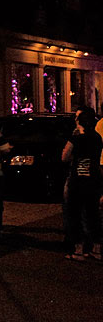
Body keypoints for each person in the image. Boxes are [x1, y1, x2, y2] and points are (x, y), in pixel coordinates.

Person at [62, 107, 102, 260]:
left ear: (80, 122)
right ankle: (96, 249)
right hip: (93, 178)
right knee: (93, 214)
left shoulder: (76, 138)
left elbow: (64, 156)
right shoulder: (97, 138)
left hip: (78, 179)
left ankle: (78, 249)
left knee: (75, 214)